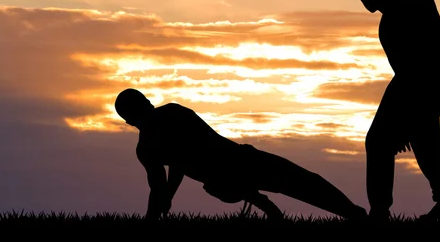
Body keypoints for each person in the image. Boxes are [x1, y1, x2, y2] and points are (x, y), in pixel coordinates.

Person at [114, 88, 368, 222]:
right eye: (138, 110)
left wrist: (165, 198)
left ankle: (355, 215)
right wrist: (157, 210)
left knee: (305, 182)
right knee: (304, 182)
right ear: (131, 119)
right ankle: (355, 216)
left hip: (238, 163)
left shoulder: (170, 119)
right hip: (227, 175)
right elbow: (159, 184)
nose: (145, 110)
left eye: (142, 106)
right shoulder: (150, 143)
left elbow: (178, 165)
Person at [349, 0, 440, 223]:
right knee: (421, 142)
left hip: (413, 84)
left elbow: (432, 25)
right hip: (409, 83)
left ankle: (381, 210)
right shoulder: (387, 23)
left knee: (383, 142)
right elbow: (408, 62)